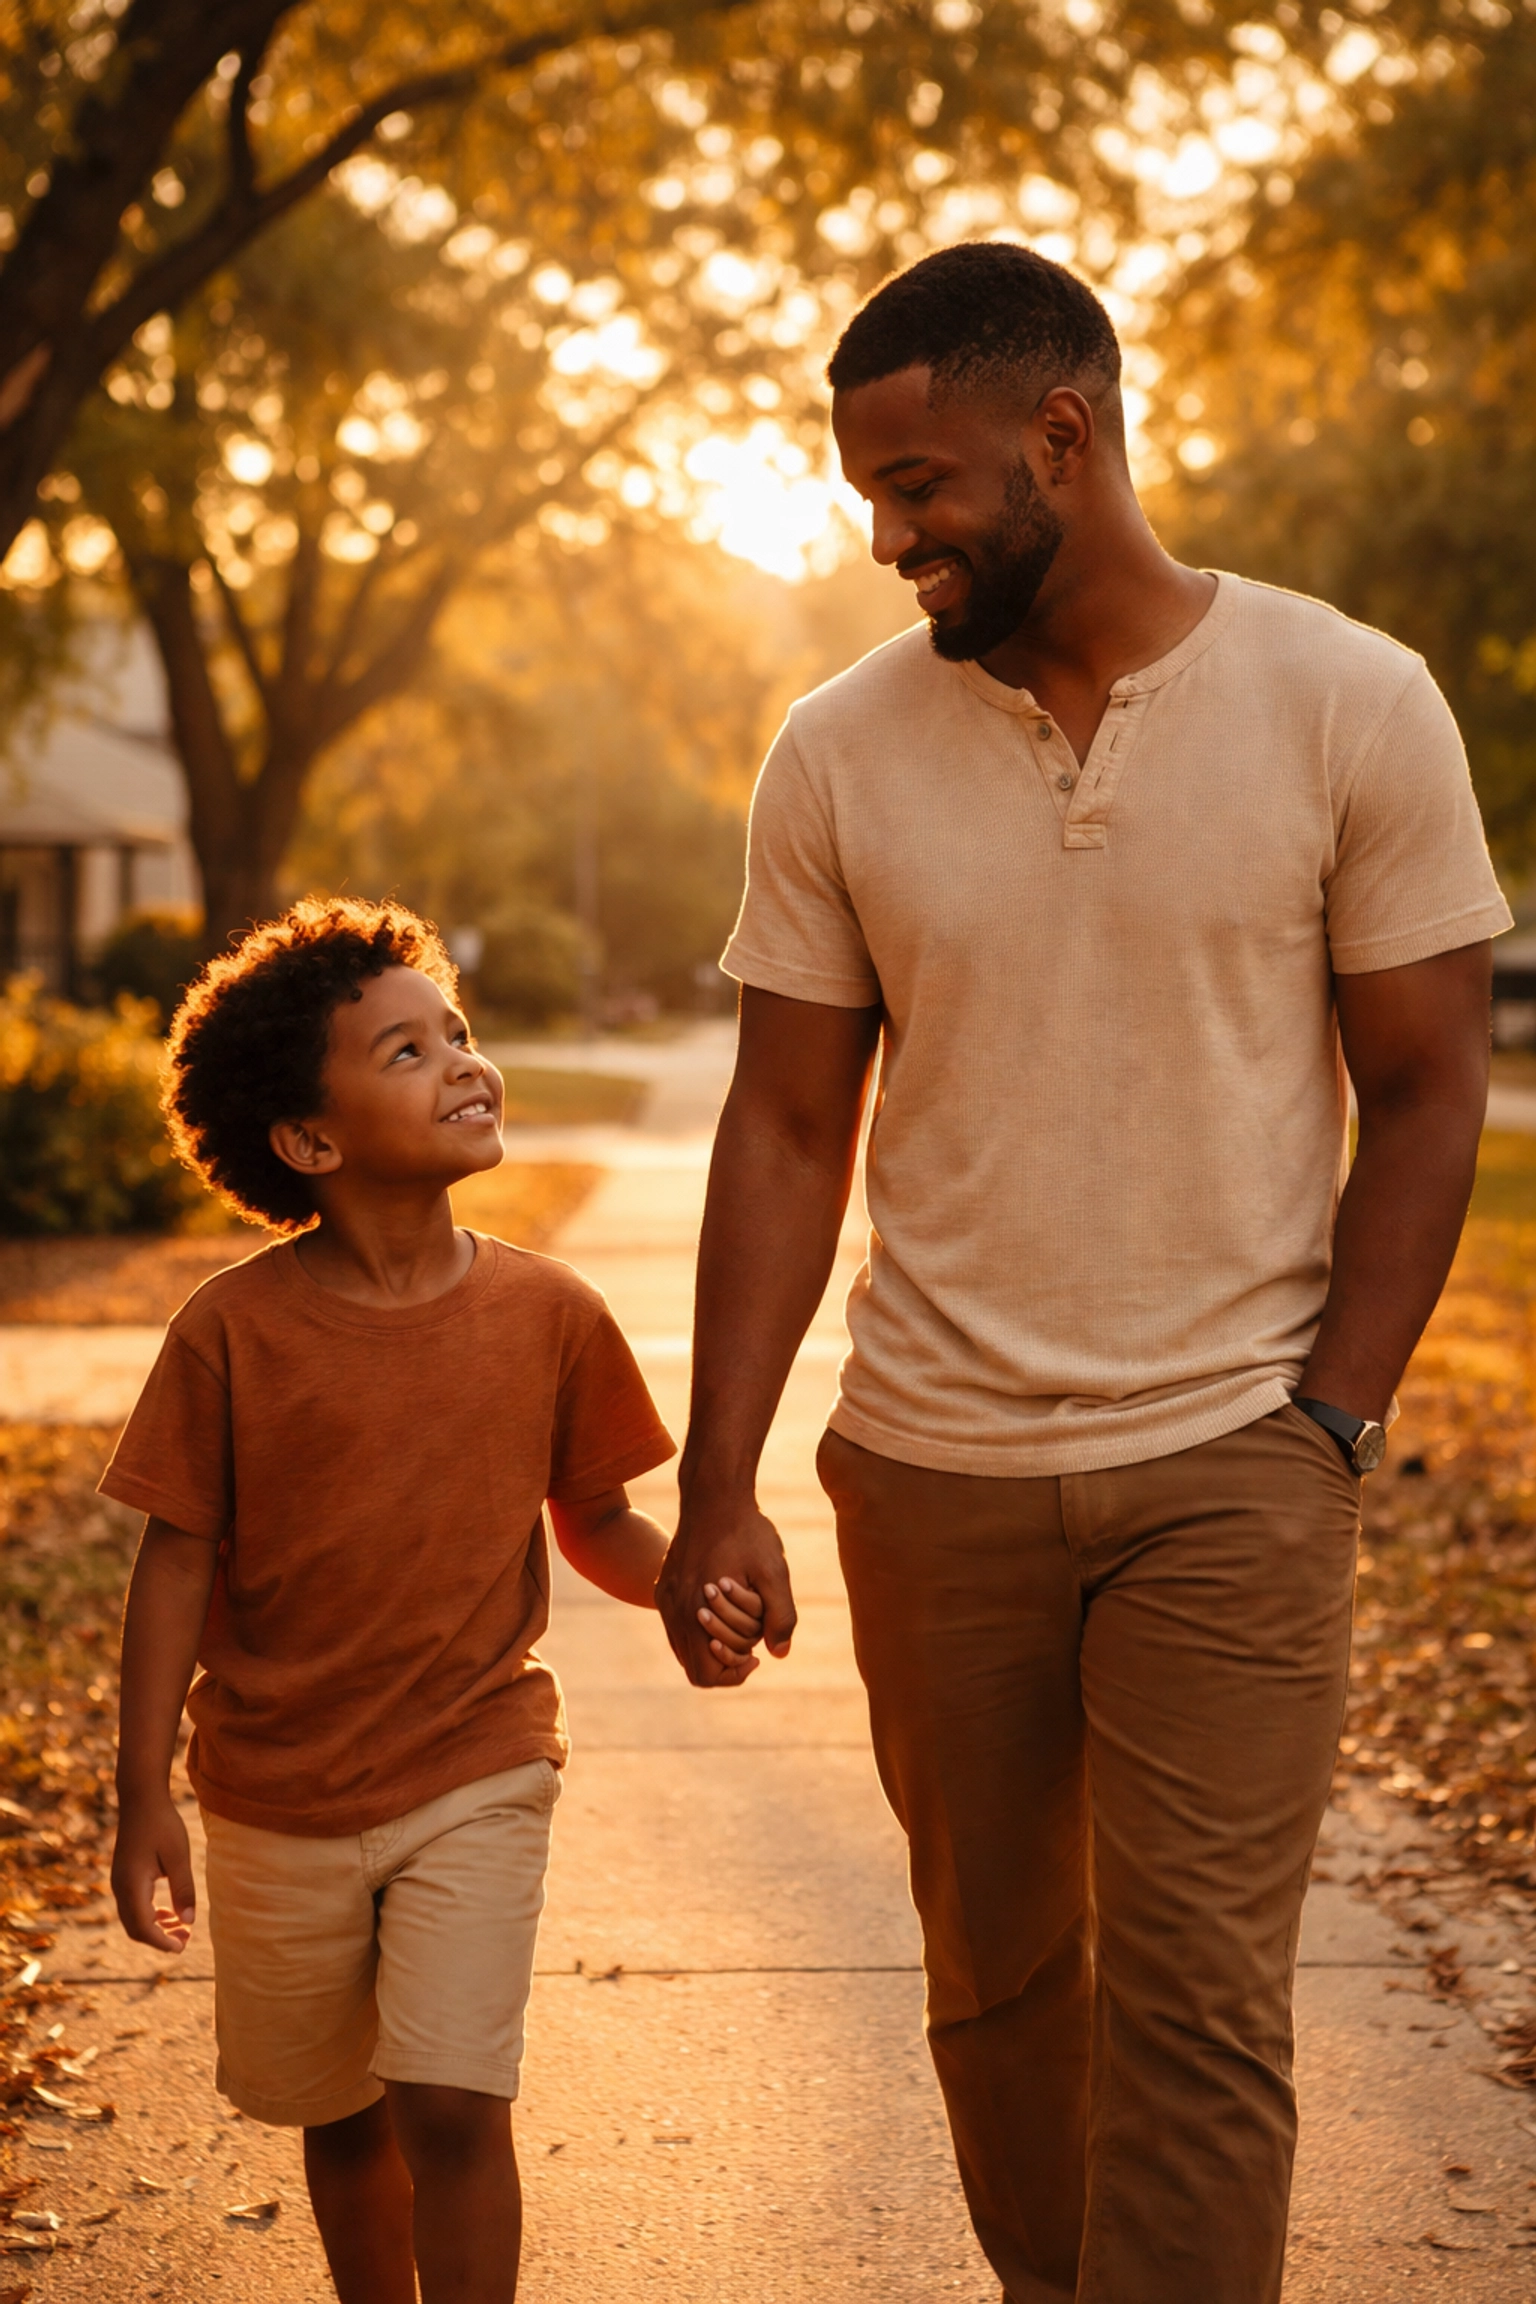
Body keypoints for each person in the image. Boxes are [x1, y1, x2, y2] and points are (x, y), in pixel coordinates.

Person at [658, 242, 1511, 2303]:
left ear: (1068, 436)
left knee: (1206, 2002)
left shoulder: (1348, 700)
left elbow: (1427, 1090)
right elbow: (783, 1129)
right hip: (932, 1468)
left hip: (1234, 1458)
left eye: (924, 485)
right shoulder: (837, 752)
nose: (892, 540)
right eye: (872, 494)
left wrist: (1332, 1419)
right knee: (1005, 1990)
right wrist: (720, 1478)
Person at [105, 897, 758, 2304]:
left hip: (478, 1760)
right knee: (339, 2115)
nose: (464, 1061)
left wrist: (685, 1595)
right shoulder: (231, 1334)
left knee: (454, 2101)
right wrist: (141, 1790)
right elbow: (172, 1561)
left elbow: (596, 1523)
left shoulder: (551, 1316)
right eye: (406, 1051)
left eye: (456, 1031)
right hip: (275, 1788)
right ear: (311, 1142)